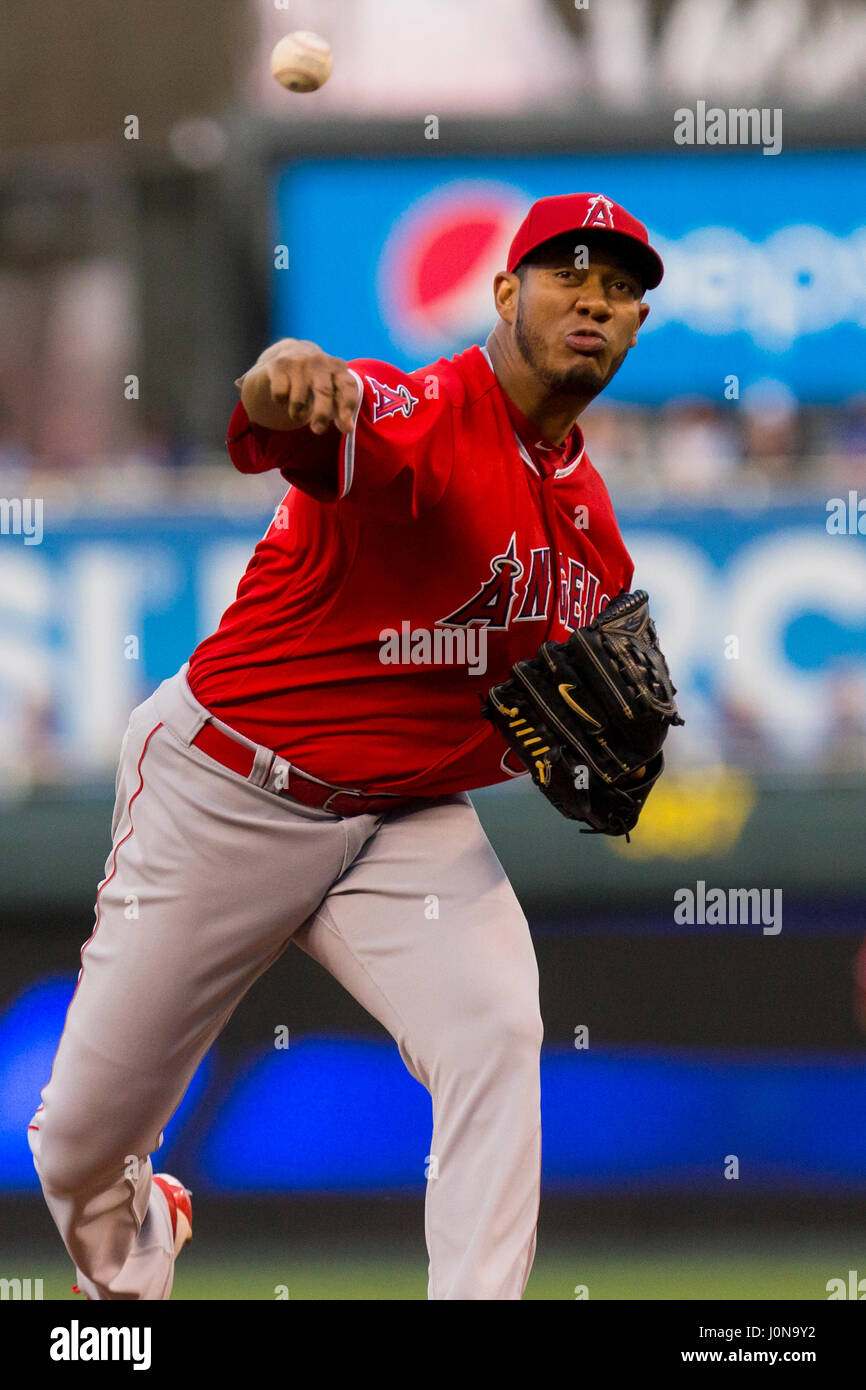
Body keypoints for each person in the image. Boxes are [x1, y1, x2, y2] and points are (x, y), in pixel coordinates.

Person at [28, 192, 662, 1300]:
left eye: (618, 289)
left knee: (495, 1033)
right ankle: (136, 1252)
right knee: (80, 1145)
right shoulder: (421, 413)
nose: (594, 302)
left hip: (402, 821)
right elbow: (305, 406)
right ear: (506, 293)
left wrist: (601, 760)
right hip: (226, 788)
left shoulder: (590, 529)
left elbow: (591, 752)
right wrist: (285, 375)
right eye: (568, 275)